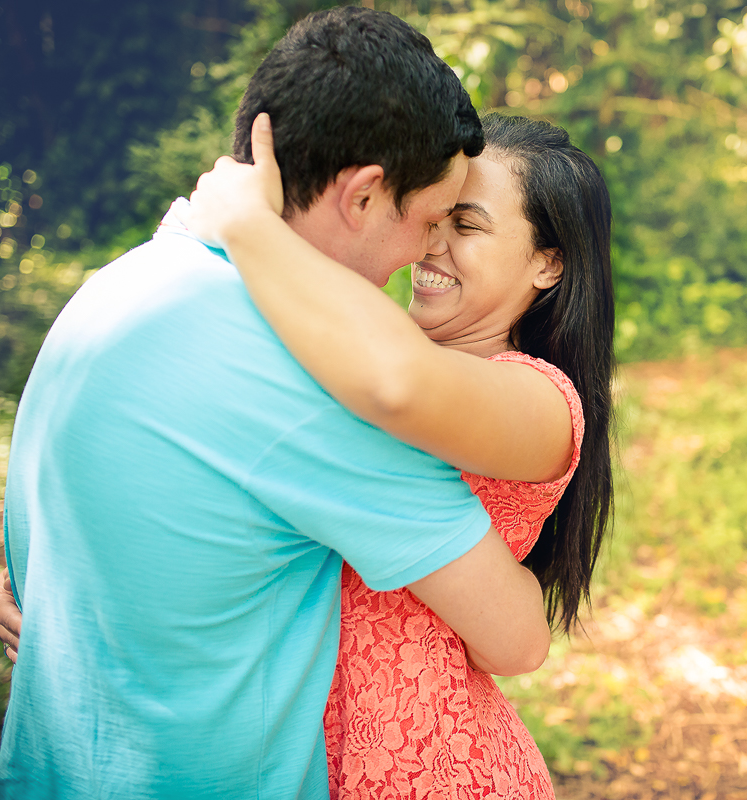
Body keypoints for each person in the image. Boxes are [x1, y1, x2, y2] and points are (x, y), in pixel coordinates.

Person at [0, 9, 552, 799]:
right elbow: (515, 634)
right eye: (428, 220)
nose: (426, 251)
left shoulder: (111, 293)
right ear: (362, 196)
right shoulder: (308, 383)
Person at [184, 109, 615, 797]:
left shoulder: (540, 400)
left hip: (438, 768)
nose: (430, 245)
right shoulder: (364, 359)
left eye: (466, 225)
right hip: (292, 753)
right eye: (431, 216)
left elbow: (402, 383)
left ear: (547, 262)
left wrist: (249, 226)